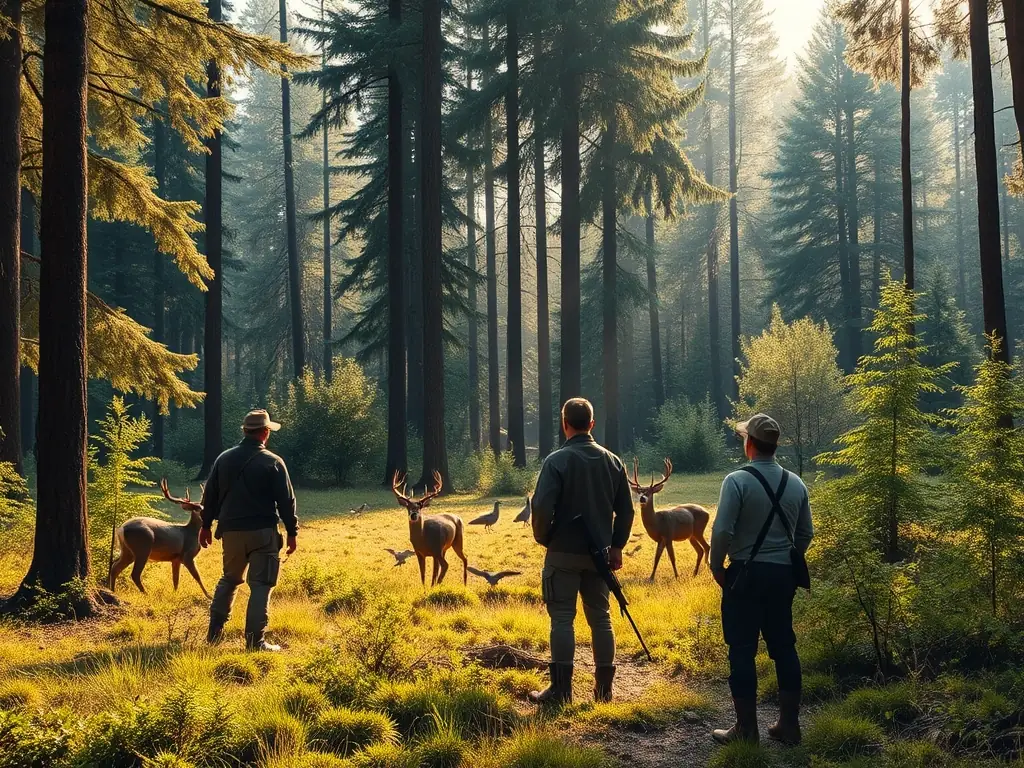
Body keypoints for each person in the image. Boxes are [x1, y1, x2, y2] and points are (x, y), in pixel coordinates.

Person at [710, 413, 813, 746]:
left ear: (749, 443)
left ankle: (746, 729)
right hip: (783, 576)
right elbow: (805, 534)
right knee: (784, 647)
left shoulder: (736, 481)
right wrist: (785, 554)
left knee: (741, 649)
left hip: (745, 575)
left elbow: (723, 530)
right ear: (774, 445)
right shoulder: (796, 483)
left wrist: (716, 567)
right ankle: (789, 726)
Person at [528, 398, 635, 705]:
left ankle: (561, 691)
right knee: (601, 618)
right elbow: (626, 512)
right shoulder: (614, 462)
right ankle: (604, 691)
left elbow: (541, 507)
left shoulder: (556, 461)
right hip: (599, 556)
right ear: (592, 424)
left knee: (562, 619)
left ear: (565, 424)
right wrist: (616, 546)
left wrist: (545, 538)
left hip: (562, 554)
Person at [196, 409, 299, 651]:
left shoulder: (223, 459)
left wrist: (205, 526)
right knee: (261, 585)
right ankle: (256, 642)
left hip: (230, 533)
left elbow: (209, 496)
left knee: (229, 579)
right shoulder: (273, 462)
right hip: (263, 533)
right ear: (264, 433)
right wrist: (293, 533)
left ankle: (214, 634)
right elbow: (287, 501)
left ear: (245, 431)